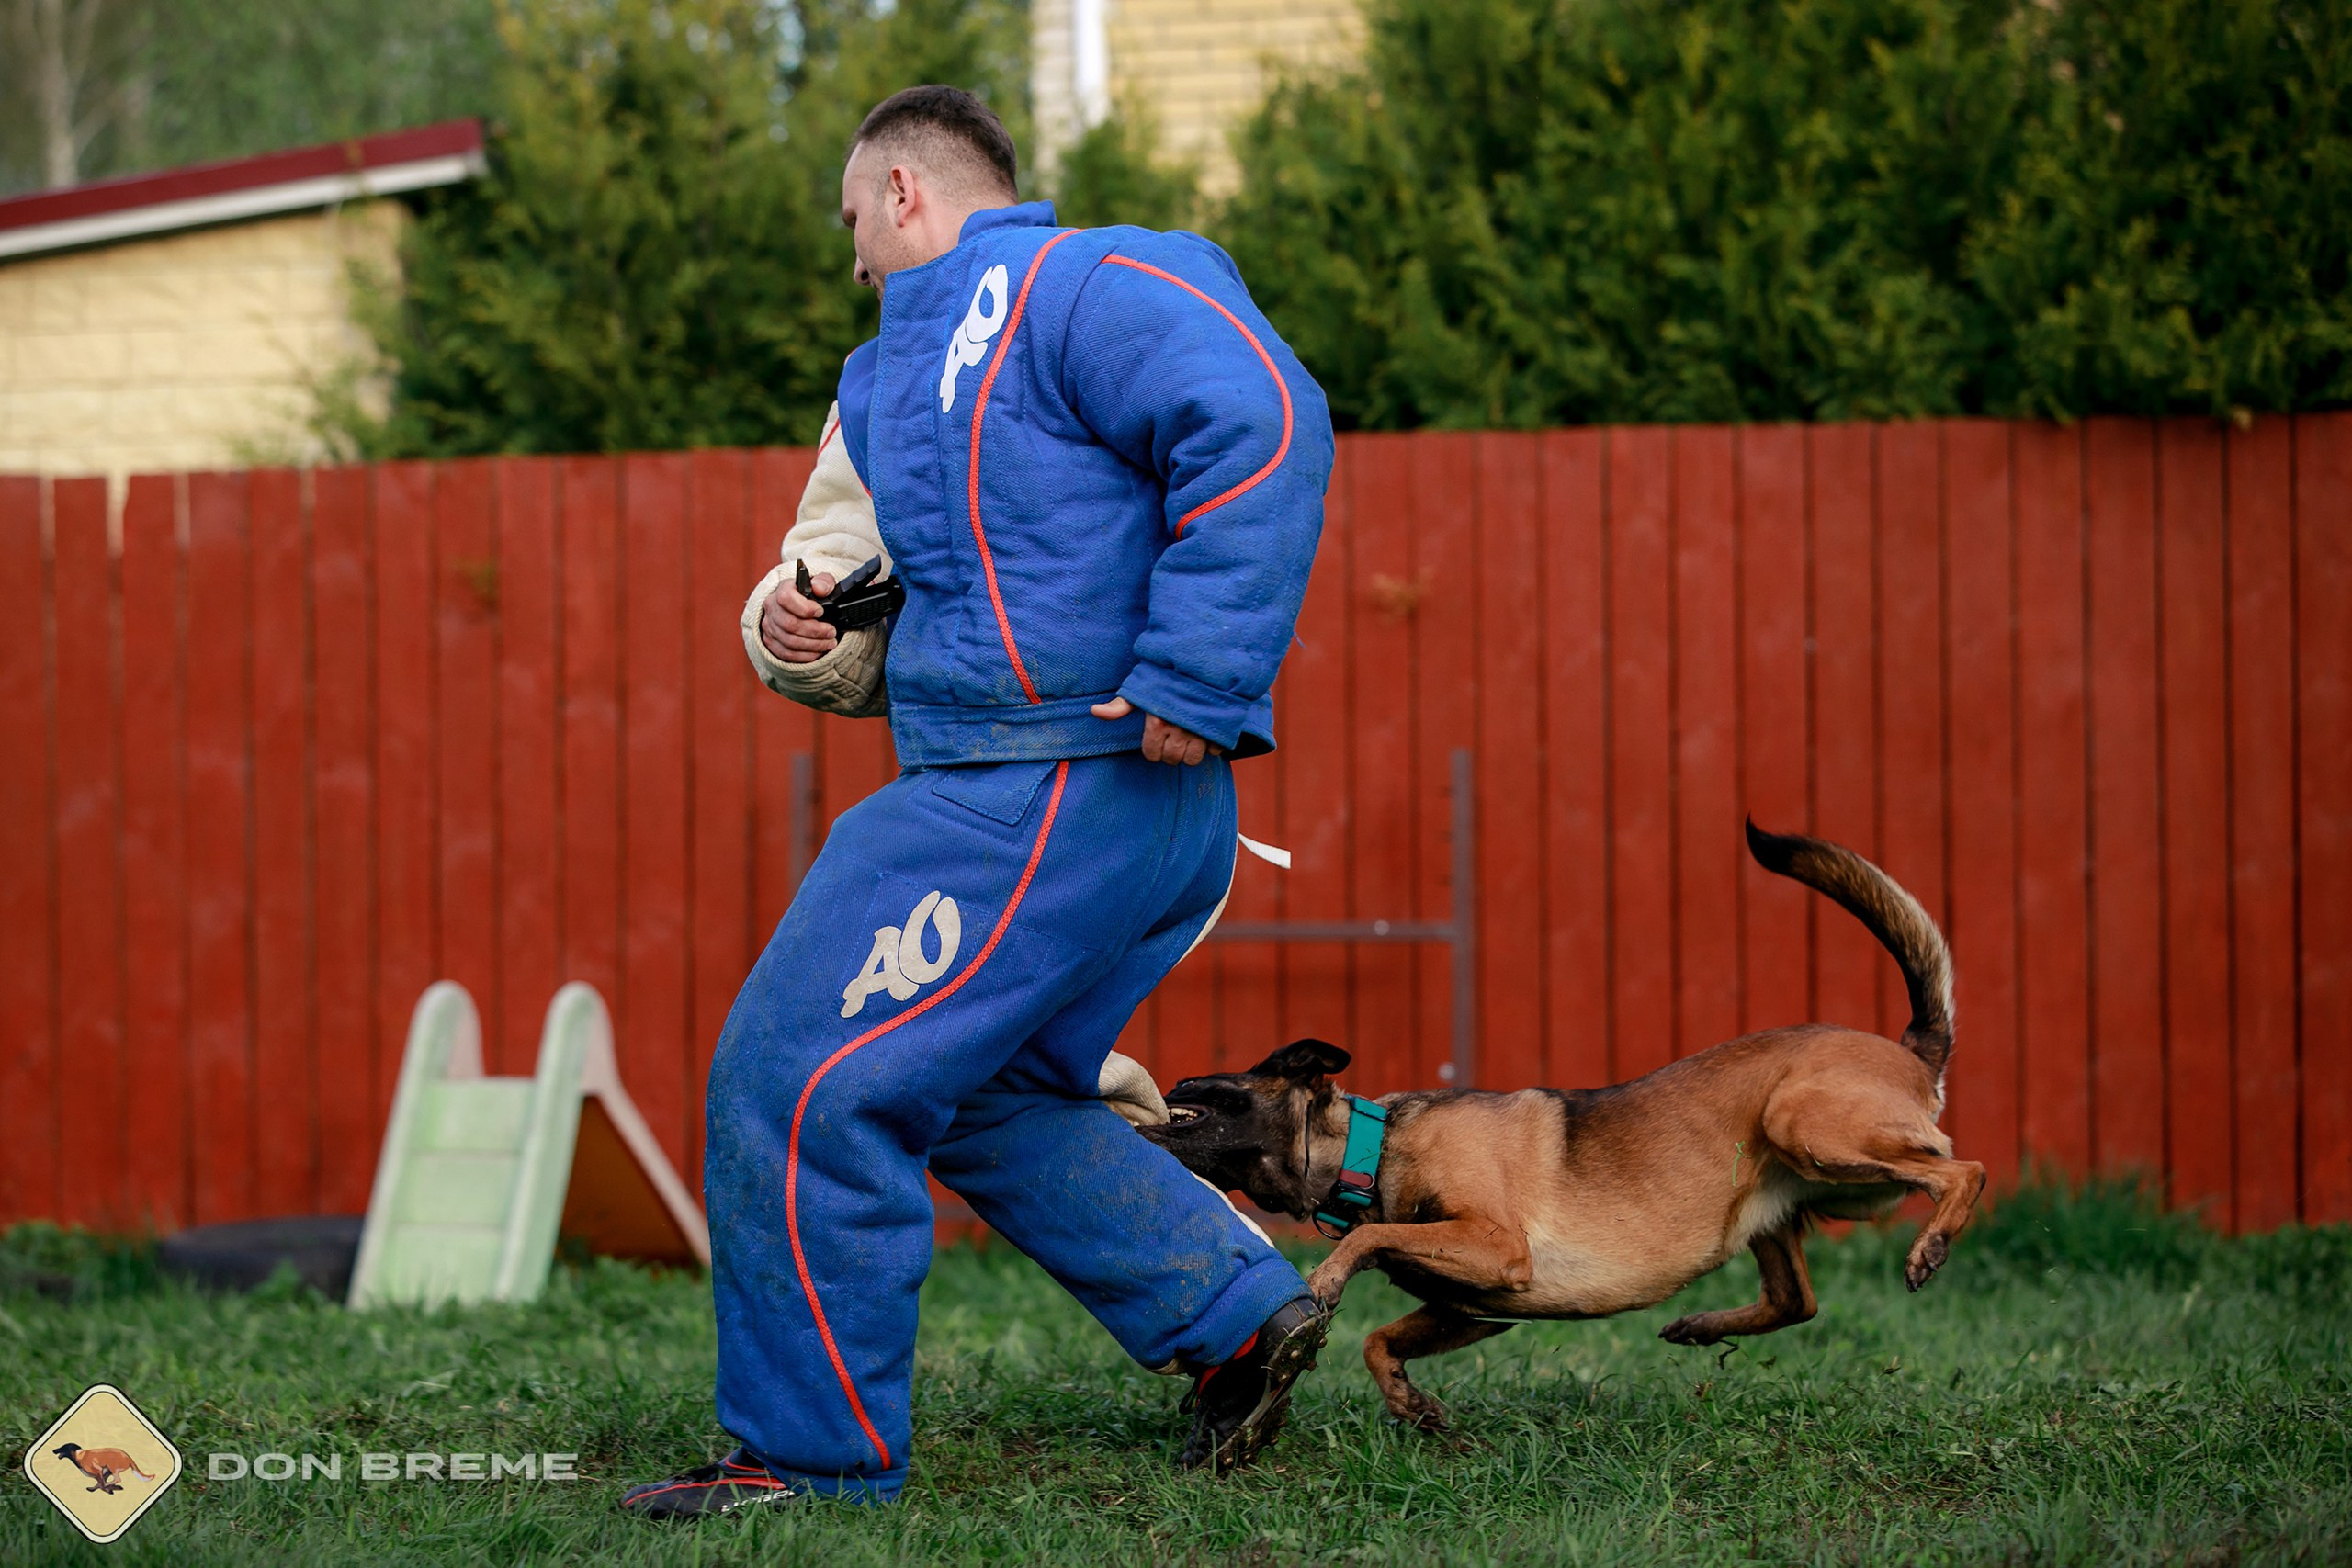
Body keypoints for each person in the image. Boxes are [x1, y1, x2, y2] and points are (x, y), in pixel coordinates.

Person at [619, 85, 1338, 1517]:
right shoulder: (881, 386)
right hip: (1095, 808)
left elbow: (1264, 415)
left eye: (852, 226)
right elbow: (827, 585)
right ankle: (1234, 1312)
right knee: (980, 1098)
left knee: (799, 1079)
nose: (853, 264)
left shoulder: (1089, 281)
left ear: (902, 195)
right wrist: (801, 635)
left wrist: (1199, 671)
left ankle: (807, 1465)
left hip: (1042, 789)